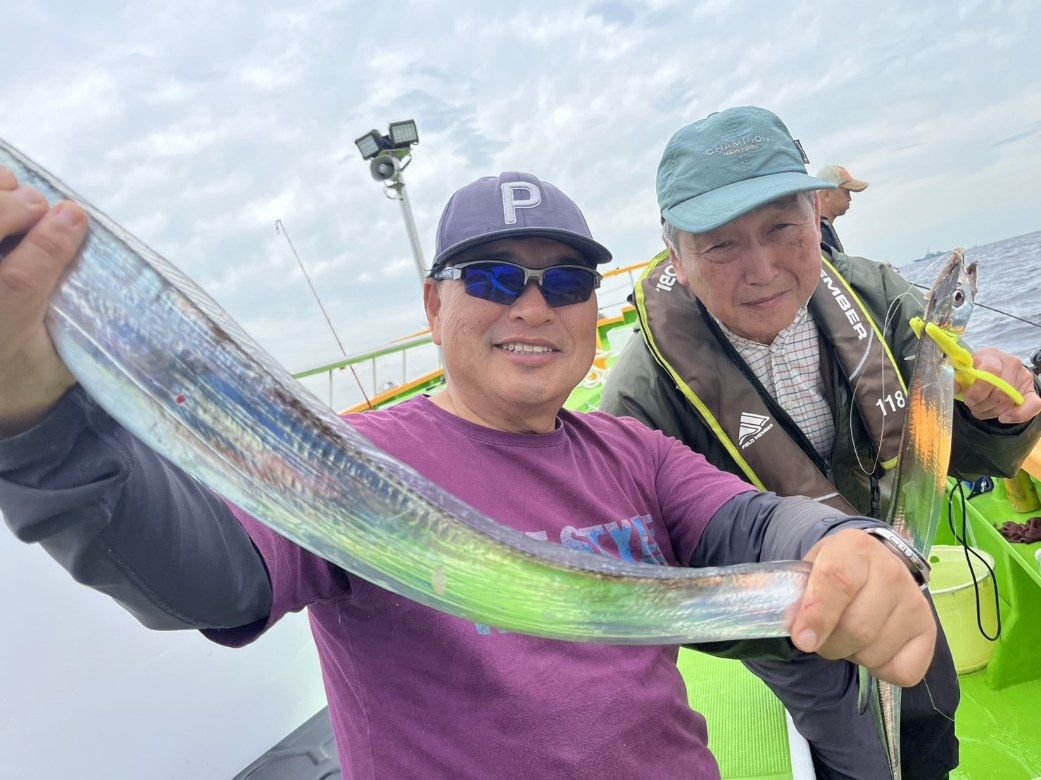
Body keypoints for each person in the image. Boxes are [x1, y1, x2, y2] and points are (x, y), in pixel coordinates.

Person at [0, 166, 941, 779]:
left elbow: (749, 524)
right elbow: (210, 580)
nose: (532, 306)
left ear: (592, 309)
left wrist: (843, 544)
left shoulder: (631, 451)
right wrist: (36, 422)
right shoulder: (353, 466)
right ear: (432, 305)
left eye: (564, 282)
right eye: (492, 277)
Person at [602, 106, 1041, 779]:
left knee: (931, 709)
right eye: (720, 245)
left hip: (900, 560)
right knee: (858, 750)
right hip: (788, 620)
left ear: (815, 216)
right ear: (677, 256)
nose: (761, 269)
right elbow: (664, 586)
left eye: (781, 228)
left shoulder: (881, 298)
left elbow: (956, 458)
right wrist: (801, 621)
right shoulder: (642, 395)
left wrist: (997, 419)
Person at [815, 164, 868, 253]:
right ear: (827, 195)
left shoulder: (818, 228)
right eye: (846, 192)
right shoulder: (818, 232)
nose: (850, 198)